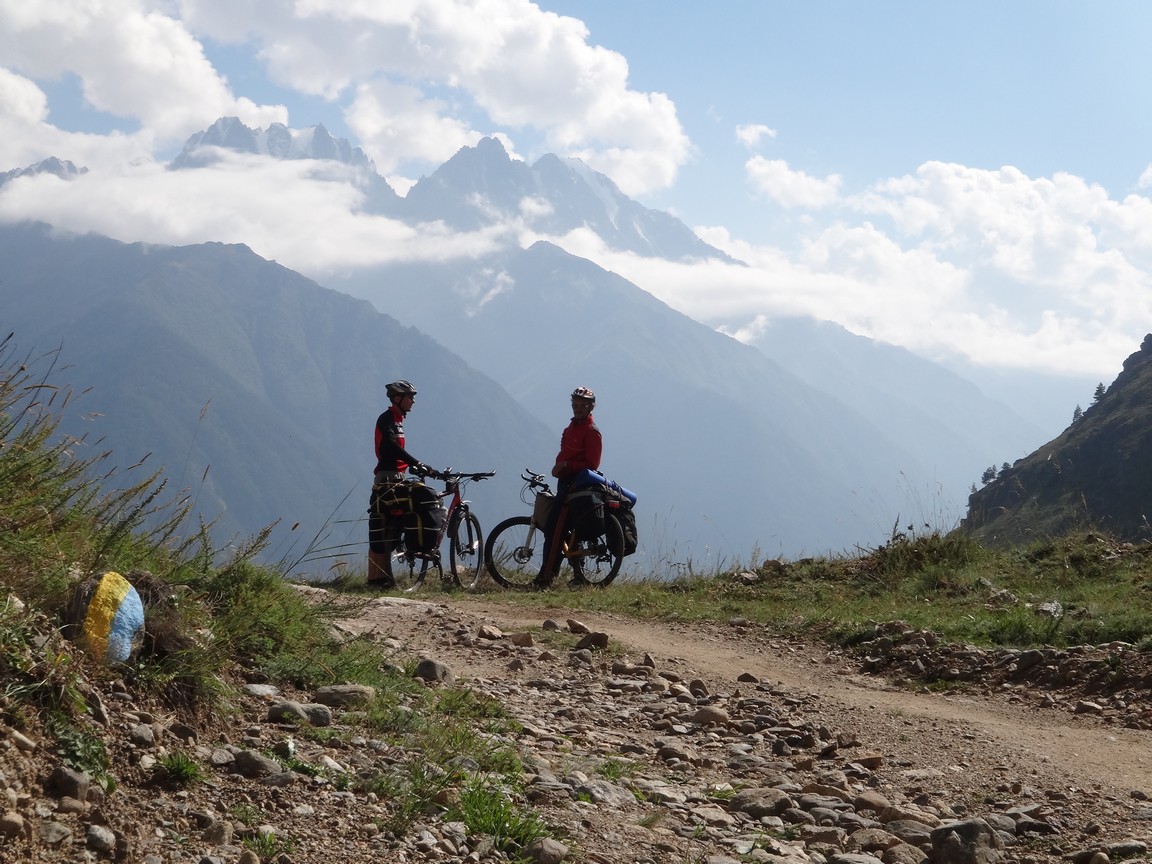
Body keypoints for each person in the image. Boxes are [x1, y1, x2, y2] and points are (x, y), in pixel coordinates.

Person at [535, 386, 603, 588]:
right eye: (575, 405)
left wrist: (566, 466)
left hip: (575, 487)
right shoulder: (571, 428)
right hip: (564, 482)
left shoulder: (592, 432)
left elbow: (592, 464)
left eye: (583, 405)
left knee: (554, 529)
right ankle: (579, 576)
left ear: (591, 407)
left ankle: (545, 577)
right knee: (569, 533)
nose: (578, 408)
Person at [367, 379, 426, 588]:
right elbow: (390, 447)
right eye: (410, 397)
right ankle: (376, 577)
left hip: (397, 476)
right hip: (387, 478)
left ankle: (381, 577)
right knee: (382, 525)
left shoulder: (398, 421)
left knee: (391, 526)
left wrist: (412, 466)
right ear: (398, 398)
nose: (413, 401)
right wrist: (415, 462)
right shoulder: (387, 419)